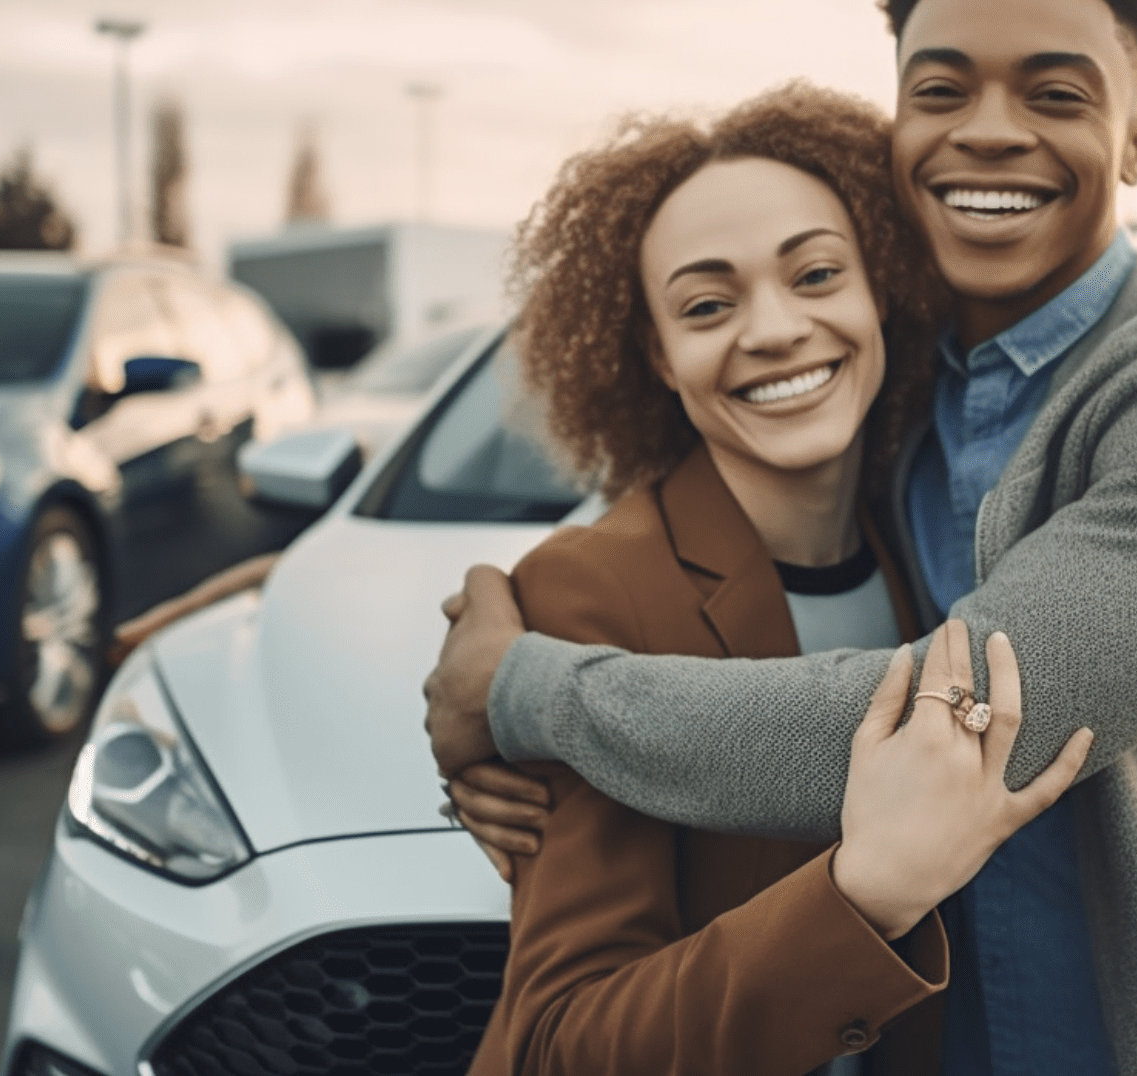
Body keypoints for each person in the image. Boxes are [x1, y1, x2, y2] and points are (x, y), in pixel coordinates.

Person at [436, 0, 1137, 1074]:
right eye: (938, 89)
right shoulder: (895, 400)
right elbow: (694, 519)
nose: (988, 129)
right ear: (892, 129)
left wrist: (526, 693)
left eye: (1054, 93)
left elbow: (938, 723)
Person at [458, 84, 1093, 1076]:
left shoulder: (936, 544)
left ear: (878, 287)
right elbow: (557, 1047)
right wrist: (864, 893)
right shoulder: (587, 592)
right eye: (707, 305)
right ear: (657, 358)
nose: (772, 329)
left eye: (816, 274)